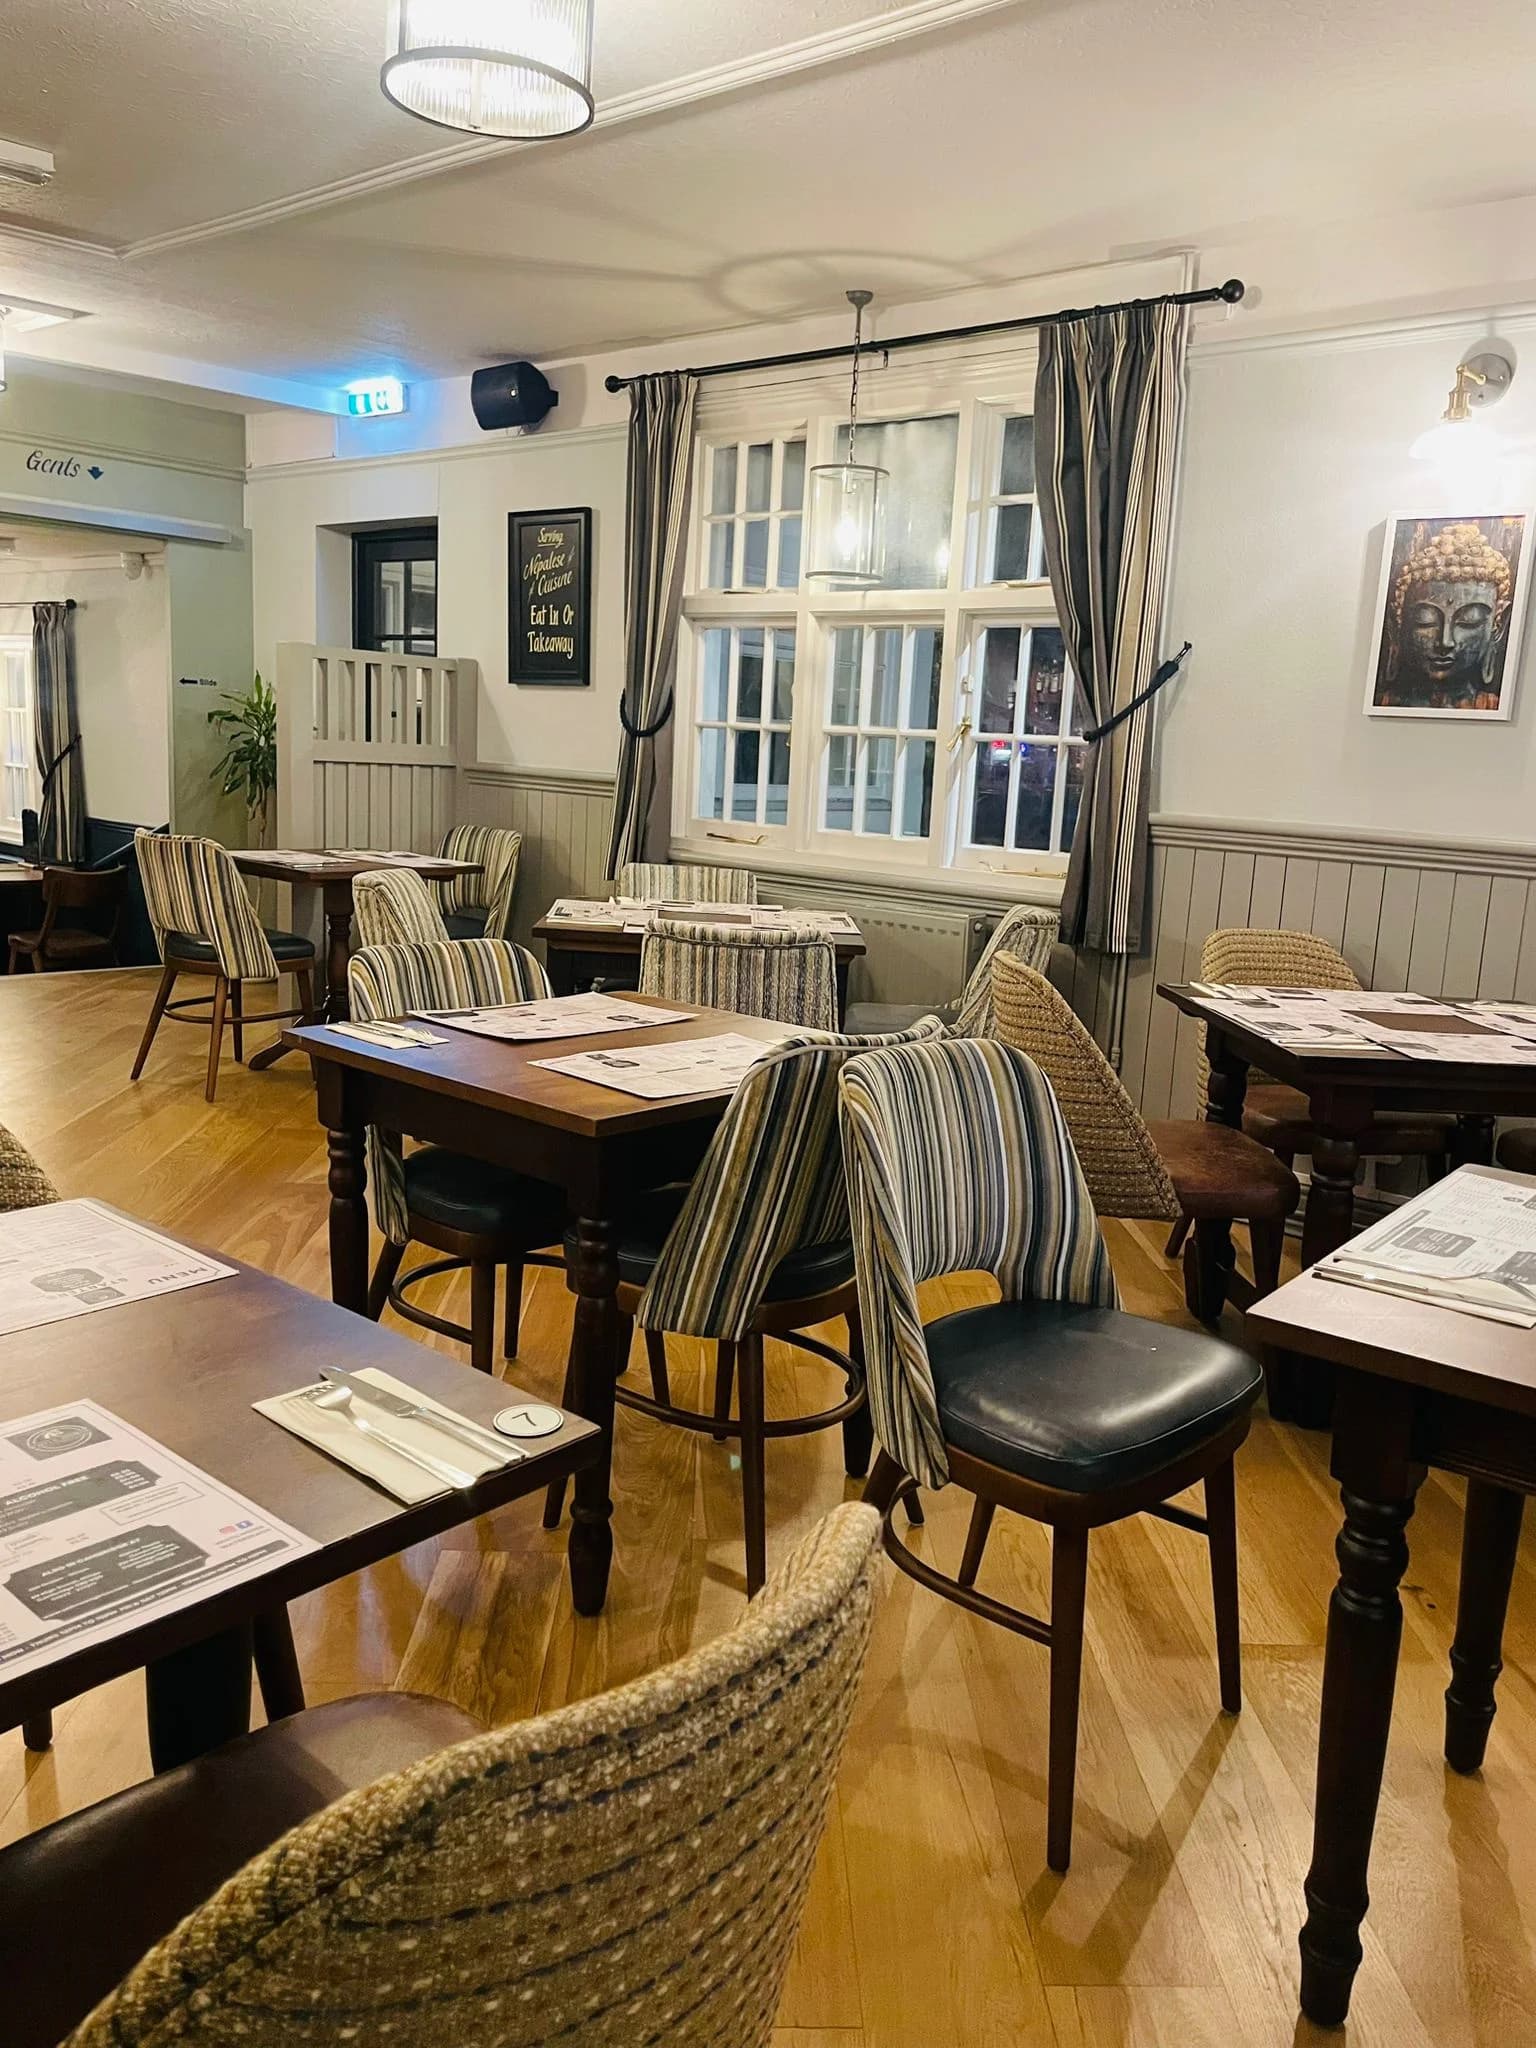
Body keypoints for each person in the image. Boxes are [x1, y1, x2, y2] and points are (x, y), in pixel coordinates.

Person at [1375, 519, 1515, 710]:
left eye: (1469, 620)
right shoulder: (1386, 703)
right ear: (1395, 623)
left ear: (1498, 625)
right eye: (1425, 621)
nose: (1445, 642)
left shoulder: (1492, 707)